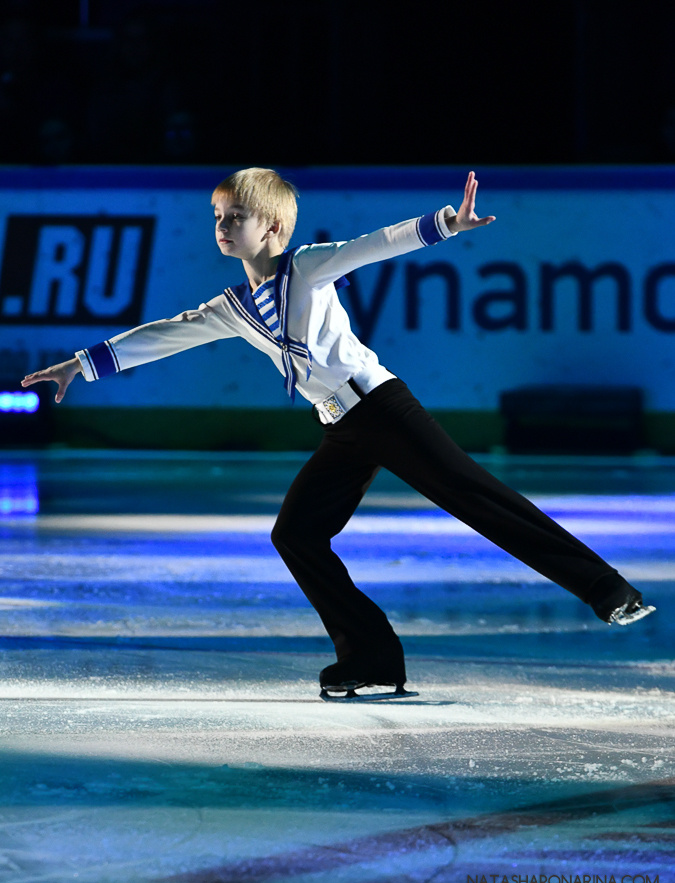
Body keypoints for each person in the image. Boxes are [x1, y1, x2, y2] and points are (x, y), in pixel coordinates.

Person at [22, 168, 655, 698]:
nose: (220, 227)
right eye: (216, 216)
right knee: (295, 533)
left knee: (475, 496)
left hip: (381, 407)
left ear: (271, 226)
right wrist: (81, 364)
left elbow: (374, 244)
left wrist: (443, 225)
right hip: (341, 427)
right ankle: (371, 656)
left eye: (233, 216)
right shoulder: (232, 307)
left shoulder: (310, 266)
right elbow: (168, 332)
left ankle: (607, 589)